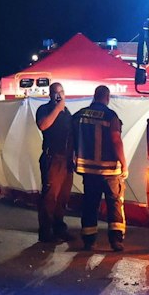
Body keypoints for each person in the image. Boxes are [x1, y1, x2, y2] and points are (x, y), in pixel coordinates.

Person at [73, 84, 128, 251]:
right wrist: (124, 164)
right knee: (114, 204)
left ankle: (89, 240)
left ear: (94, 96)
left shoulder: (79, 115)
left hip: (88, 170)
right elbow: (116, 140)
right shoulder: (111, 116)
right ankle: (116, 241)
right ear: (107, 97)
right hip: (110, 170)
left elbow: (71, 139)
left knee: (90, 204)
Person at [33, 82, 75, 245]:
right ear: (50, 95)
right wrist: (57, 109)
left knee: (63, 197)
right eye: (55, 93)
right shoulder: (45, 109)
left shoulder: (67, 113)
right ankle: (45, 232)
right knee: (50, 196)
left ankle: (59, 228)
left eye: (61, 92)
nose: (59, 95)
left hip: (66, 160)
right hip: (53, 159)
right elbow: (43, 125)